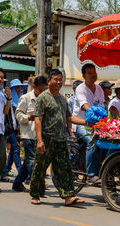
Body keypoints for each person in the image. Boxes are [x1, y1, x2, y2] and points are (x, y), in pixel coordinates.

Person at [30, 69, 87, 206]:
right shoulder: (43, 98)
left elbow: (69, 117)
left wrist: (86, 122)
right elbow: (38, 119)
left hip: (61, 139)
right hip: (46, 138)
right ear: (49, 81)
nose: (59, 82)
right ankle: (35, 194)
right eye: (56, 79)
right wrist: (39, 141)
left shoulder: (62, 99)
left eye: (61, 80)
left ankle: (68, 196)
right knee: (40, 167)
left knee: (64, 168)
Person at [12, 76, 48, 192]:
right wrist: (28, 117)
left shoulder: (46, 98)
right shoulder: (25, 98)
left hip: (40, 135)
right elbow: (18, 114)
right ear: (34, 87)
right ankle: (38, 184)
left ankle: (17, 183)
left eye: (44, 90)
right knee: (32, 160)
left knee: (29, 160)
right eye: (40, 90)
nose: (42, 92)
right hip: (28, 134)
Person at [73, 63, 105, 183]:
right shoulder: (81, 88)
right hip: (82, 124)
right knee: (92, 142)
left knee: (108, 142)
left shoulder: (99, 89)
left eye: (94, 72)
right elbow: (84, 105)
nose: (93, 75)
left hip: (97, 124)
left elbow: (101, 105)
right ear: (84, 75)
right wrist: (92, 110)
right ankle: (91, 174)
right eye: (89, 73)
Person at [0, 79, 26, 182]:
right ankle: (21, 171)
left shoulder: (22, 99)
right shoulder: (8, 99)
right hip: (9, 128)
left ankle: (6, 170)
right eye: (17, 88)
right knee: (15, 148)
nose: (19, 89)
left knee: (13, 149)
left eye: (20, 87)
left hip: (17, 129)